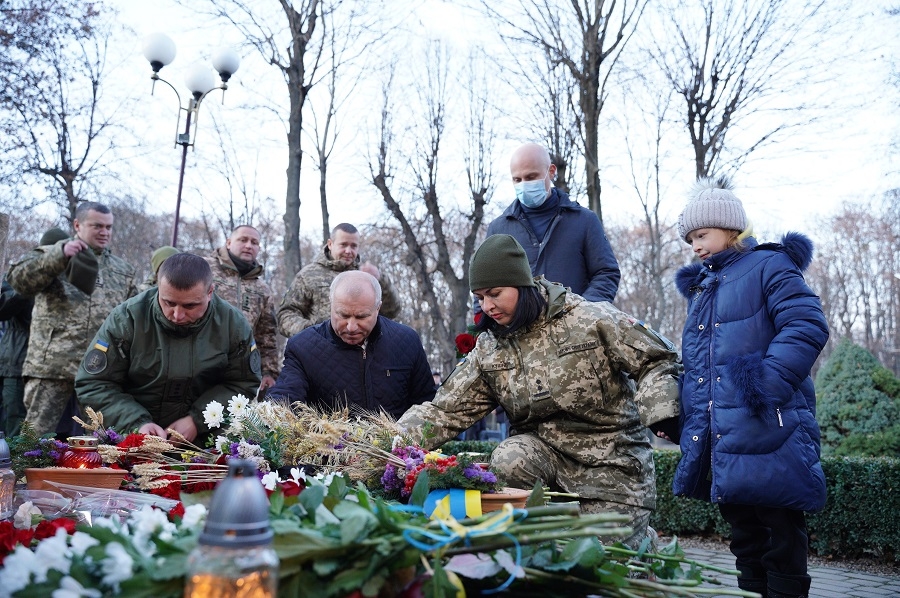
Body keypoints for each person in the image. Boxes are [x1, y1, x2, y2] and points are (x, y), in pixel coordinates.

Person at [397, 234, 681, 548]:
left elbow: (658, 357)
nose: (487, 306)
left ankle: (643, 544)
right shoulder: (491, 349)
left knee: (605, 561)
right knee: (509, 456)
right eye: (479, 297)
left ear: (521, 284)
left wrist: (662, 411)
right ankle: (533, 545)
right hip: (542, 456)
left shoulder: (590, 319)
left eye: (494, 294)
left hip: (612, 461)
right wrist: (388, 442)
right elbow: (445, 411)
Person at [671, 177, 829, 598]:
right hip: (725, 433)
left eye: (701, 234)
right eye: (690, 239)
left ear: (731, 228)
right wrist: (686, 417)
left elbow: (806, 324)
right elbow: (701, 365)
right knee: (743, 532)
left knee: (780, 528)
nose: (695, 245)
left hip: (769, 422)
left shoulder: (769, 265)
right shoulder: (704, 287)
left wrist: (766, 384)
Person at [75, 253, 261, 442]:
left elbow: (243, 384)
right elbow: (94, 384)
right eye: (168, 302)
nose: (177, 315)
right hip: (129, 435)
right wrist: (136, 424)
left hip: (203, 441)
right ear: (158, 288)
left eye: (190, 306)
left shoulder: (233, 324)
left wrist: (198, 421)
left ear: (210, 292)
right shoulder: (127, 319)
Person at [7, 203, 137, 436]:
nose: (105, 232)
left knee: (101, 442)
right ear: (77, 225)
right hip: (51, 366)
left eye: (109, 227)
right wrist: (60, 255)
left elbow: (133, 317)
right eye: (97, 226)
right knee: (33, 438)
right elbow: (17, 281)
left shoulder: (122, 270)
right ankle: (25, 475)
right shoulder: (51, 255)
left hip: (99, 370)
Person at [267, 270, 435, 419]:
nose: (351, 327)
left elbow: (426, 406)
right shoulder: (302, 347)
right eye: (343, 315)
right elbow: (284, 400)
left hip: (396, 452)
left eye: (362, 316)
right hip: (331, 449)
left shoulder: (406, 341)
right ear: (331, 304)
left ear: (378, 308)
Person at [486, 142, 620, 303]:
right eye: (517, 179)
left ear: (551, 171)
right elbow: (486, 284)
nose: (524, 185)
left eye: (531, 177)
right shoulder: (498, 229)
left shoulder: (584, 221)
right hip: (518, 327)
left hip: (575, 325)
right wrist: (481, 325)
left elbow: (606, 272)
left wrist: (583, 312)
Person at [0, 228, 69, 437]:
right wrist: (30, 285)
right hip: (15, 364)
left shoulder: (66, 279)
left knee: (41, 429)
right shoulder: (22, 273)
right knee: (15, 422)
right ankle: (11, 467)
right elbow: (2, 308)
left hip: (47, 367)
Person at [277, 223, 400, 337]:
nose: (348, 251)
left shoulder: (366, 275)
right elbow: (285, 316)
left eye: (353, 246)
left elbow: (392, 311)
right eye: (343, 245)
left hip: (363, 352)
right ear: (330, 244)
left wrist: (381, 280)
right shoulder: (308, 275)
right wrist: (313, 332)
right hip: (322, 352)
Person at [203, 225, 279, 394]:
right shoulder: (204, 269)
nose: (248, 246)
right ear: (229, 243)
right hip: (200, 362)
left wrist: (268, 371)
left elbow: (266, 335)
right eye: (243, 240)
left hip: (239, 373)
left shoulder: (262, 289)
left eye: (254, 242)